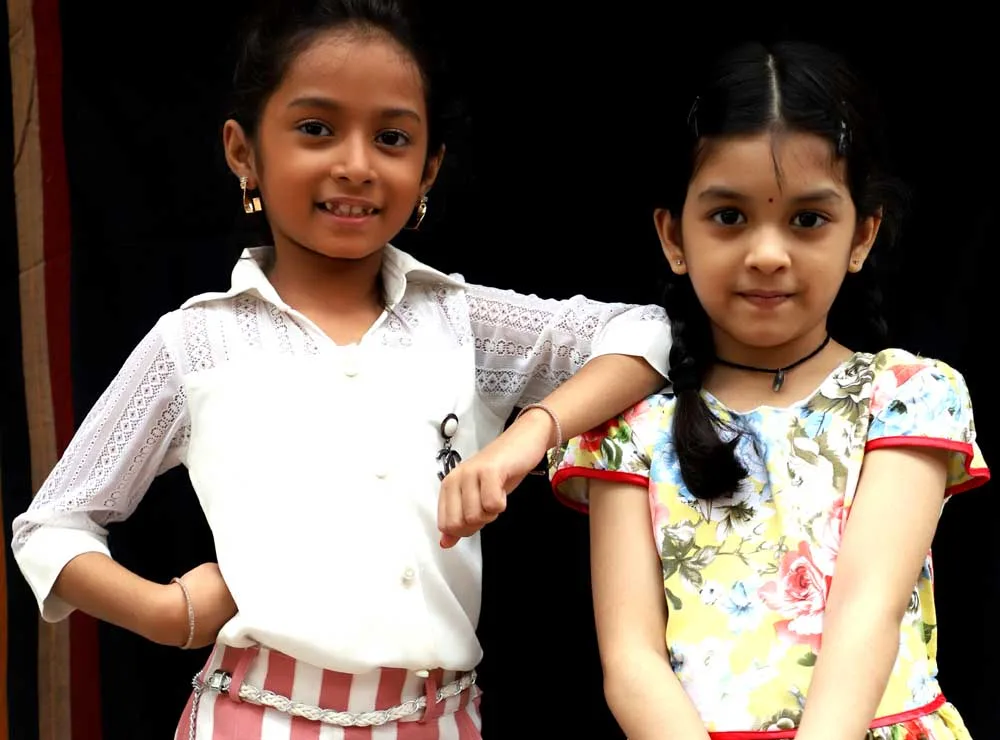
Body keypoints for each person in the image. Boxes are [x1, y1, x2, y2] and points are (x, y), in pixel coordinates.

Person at [10, 1, 672, 737]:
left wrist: (530, 434)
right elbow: (50, 527)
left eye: (391, 138)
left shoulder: (460, 323)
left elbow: (647, 333)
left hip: (439, 721)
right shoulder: (198, 343)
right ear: (243, 151)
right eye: (316, 128)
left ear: (429, 167)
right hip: (253, 717)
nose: (356, 165)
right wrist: (168, 614)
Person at [544, 41, 990, 740]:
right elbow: (631, 660)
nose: (768, 254)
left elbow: (868, 612)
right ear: (673, 236)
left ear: (862, 236)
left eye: (808, 220)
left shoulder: (905, 396)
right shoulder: (627, 424)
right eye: (729, 216)